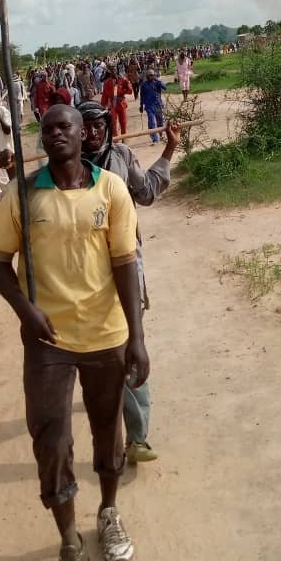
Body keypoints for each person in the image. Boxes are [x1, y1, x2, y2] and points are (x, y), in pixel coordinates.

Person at [0, 104, 148, 561]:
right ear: (42, 139)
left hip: (105, 335)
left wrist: (137, 338)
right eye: (49, 128)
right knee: (51, 439)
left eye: (66, 127)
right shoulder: (23, 194)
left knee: (108, 433)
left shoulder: (111, 188)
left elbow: (125, 264)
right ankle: (68, 539)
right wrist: (25, 310)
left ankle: (109, 512)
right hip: (47, 343)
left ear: (84, 135)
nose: (57, 133)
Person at [78, 101, 180, 464]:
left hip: (125, 269)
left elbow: (147, 192)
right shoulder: (65, 166)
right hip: (85, 274)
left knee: (128, 347)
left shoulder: (121, 155)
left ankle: (137, 437)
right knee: (103, 355)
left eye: (96, 125)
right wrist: (14, 175)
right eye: (83, 126)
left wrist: (169, 148)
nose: (90, 133)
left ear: (107, 125)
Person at [139, 69, 167, 144]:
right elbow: (142, 96)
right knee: (152, 122)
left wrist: (157, 80)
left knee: (160, 121)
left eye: (153, 75)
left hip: (158, 105)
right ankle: (155, 139)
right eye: (150, 75)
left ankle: (161, 135)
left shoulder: (157, 83)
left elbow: (165, 87)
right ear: (147, 76)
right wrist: (141, 105)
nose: (152, 77)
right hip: (149, 106)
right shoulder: (144, 85)